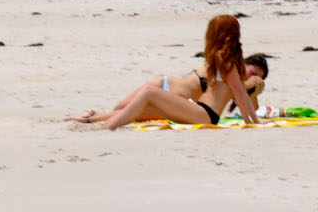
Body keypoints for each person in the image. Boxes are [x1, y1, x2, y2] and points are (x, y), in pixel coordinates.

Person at [83, 16, 264, 130]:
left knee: (149, 92)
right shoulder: (222, 59)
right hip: (201, 111)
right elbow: (240, 93)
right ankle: (100, 121)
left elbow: (240, 93)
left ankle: (109, 126)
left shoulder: (228, 62)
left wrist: (252, 122)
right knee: (145, 105)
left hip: (205, 114)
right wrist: (253, 121)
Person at [67, 54, 270, 125]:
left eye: (257, 76)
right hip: (166, 84)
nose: (252, 77)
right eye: (253, 71)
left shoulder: (237, 83)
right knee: (121, 107)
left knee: (134, 111)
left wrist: (255, 90)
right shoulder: (229, 68)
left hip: (179, 100)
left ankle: (93, 118)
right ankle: (97, 117)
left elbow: (246, 103)